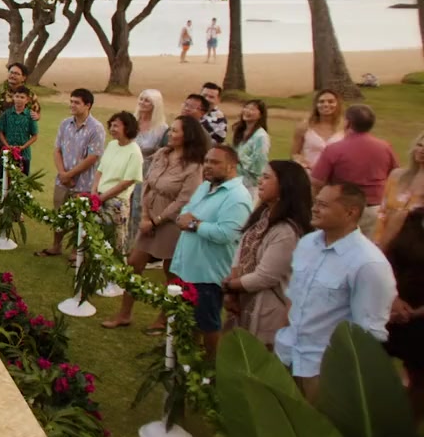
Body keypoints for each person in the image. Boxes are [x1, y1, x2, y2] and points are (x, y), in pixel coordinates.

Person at [274, 183, 397, 401]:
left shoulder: (369, 264)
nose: (314, 209)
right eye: (315, 202)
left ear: (351, 212)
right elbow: (294, 298)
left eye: (323, 205)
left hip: (324, 371)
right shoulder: (308, 243)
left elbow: (368, 334)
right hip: (286, 355)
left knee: (318, 423)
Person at [102, 115, 209, 332]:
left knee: (171, 272)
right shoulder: (162, 154)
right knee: (134, 264)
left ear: (187, 136)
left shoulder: (195, 166)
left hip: (171, 223)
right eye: (171, 129)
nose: (170, 134)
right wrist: (145, 217)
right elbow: (148, 184)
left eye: (176, 131)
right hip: (148, 218)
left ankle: (164, 317)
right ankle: (124, 314)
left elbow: (184, 200)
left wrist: (157, 221)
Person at [169, 145, 255, 358]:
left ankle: (211, 366)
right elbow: (185, 212)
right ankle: (189, 360)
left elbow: (227, 233)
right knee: (188, 319)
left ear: (232, 166)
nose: (207, 166)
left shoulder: (237, 197)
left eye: (214, 162)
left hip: (207, 274)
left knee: (208, 324)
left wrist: (193, 224)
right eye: (206, 161)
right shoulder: (205, 187)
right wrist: (186, 219)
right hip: (188, 267)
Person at [223, 161, 313, 349]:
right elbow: (241, 251)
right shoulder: (263, 217)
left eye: (266, 177)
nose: (260, 181)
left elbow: (265, 277)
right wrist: (232, 289)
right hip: (243, 300)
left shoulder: (286, 231)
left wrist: (230, 286)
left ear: (285, 186)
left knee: (258, 359)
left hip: (268, 310)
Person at [36, 89, 106, 258]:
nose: (72, 105)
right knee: (59, 214)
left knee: (80, 218)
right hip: (62, 180)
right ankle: (56, 246)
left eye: (77, 102)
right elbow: (57, 150)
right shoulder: (65, 124)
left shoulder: (96, 128)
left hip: (84, 183)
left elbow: (93, 157)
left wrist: (70, 175)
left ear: (88, 105)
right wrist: (63, 173)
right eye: (71, 101)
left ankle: (76, 251)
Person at [311, 104, 400, 236]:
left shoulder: (335, 149)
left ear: (347, 122)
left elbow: (317, 181)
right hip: (373, 209)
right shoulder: (385, 147)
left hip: (341, 208)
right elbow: (396, 175)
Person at [384, 208, 424, 424]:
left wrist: (418, 312)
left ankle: (405, 428)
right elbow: (384, 259)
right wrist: (393, 298)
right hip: (391, 311)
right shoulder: (410, 218)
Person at [0, 62, 42, 197]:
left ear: (23, 77)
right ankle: (0, 199)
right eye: (11, 72)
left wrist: (36, 117)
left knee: (21, 171)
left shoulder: (30, 95)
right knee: (1, 170)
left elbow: (36, 114)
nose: (13, 75)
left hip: (21, 141)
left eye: (17, 73)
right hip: (2, 139)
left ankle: (18, 199)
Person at [93, 112, 145, 249]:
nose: (112, 129)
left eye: (116, 126)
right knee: (95, 236)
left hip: (117, 202)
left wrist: (102, 197)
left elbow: (126, 182)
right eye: (111, 125)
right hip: (99, 196)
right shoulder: (112, 145)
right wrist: (94, 191)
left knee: (115, 241)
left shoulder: (134, 152)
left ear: (127, 128)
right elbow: (100, 170)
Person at [130, 89, 169, 248]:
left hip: (146, 171)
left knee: (138, 207)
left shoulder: (161, 128)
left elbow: (163, 153)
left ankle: (135, 245)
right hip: (127, 168)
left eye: (147, 100)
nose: (142, 103)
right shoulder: (131, 121)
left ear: (155, 105)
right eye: (141, 99)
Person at [375, 131, 424, 247]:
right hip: (382, 242)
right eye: (420, 145)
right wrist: (378, 241)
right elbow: (382, 212)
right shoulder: (396, 175)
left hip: (413, 247)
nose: (422, 150)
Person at [290, 89, 344, 173]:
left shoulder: (345, 128)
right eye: (321, 102)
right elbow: (294, 153)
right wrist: (302, 162)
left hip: (336, 175)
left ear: (338, 104)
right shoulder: (304, 127)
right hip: (309, 174)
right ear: (316, 105)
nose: (326, 104)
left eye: (331, 102)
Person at [231, 100, 271, 202]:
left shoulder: (261, 136)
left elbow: (259, 164)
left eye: (252, 109)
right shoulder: (240, 131)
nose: (248, 111)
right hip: (234, 180)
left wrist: (238, 158)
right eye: (246, 108)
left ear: (260, 115)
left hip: (250, 185)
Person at [0, 85, 39, 177]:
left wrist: (23, 147)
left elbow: (35, 136)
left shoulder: (30, 115)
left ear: (27, 100)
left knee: (22, 180)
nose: (19, 99)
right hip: (7, 152)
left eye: (22, 97)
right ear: (13, 97)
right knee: (5, 179)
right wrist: (7, 145)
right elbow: (0, 131)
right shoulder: (6, 114)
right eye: (17, 96)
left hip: (24, 154)